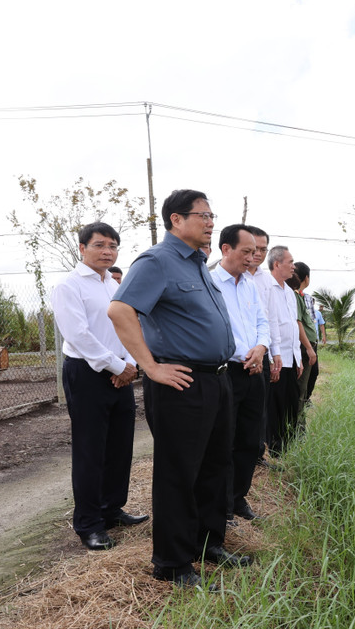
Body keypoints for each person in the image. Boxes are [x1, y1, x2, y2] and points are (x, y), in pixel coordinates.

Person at [108, 189, 251, 588]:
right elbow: (120, 310)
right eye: (202, 215)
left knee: (215, 466)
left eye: (211, 215)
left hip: (217, 379)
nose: (210, 222)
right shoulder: (158, 261)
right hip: (182, 383)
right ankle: (172, 564)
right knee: (178, 473)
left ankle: (208, 545)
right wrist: (150, 367)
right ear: (176, 219)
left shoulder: (198, 264)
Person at [51, 222, 148, 551]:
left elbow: (124, 325)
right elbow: (78, 335)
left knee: (120, 445)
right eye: (100, 245)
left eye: (113, 246)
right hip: (88, 373)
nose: (107, 251)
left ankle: (111, 509)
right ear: (82, 248)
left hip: (121, 371)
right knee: (91, 450)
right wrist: (120, 366)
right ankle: (89, 523)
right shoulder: (69, 286)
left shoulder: (113, 285)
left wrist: (127, 365)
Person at [209, 224, 270, 522]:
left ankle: (237, 498)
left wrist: (260, 348)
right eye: (247, 251)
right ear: (226, 249)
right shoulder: (209, 283)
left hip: (254, 369)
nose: (252, 257)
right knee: (224, 441)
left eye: (256, 252)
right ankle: (220, 503)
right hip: (226, 372)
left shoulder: (249, 285)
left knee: (249, 439)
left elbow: (263, 322)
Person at [245, 226, 281, 470]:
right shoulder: (225, 276)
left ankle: (257, 454)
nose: (258, 253)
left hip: (263, 350)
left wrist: (274, 352)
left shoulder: (266, 280)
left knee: (260, 406)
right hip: (238, 355)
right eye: (254, 248)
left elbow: (270, 318)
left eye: (263, 249)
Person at [266, 246, 302, 457]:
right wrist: (271, 359)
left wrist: (299, 359)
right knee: (275, 406)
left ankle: (290, 445)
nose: (293, 266)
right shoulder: (267, 288)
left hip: (291, 358)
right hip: (277, 359)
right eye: (290, 262)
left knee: (291, 403)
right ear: (277, 264)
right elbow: (268, 326)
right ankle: (276, 450)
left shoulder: (289, 292)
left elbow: (292, 326)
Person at [289, 263, 317, 417]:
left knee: (305, 385)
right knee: (300, 388)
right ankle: (297, 425)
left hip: (308, 346)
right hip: (304, 347)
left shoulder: (300, 295)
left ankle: (299, 420)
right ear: (306, 277)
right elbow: (298, 322)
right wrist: (309, 347)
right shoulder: (295, 295)